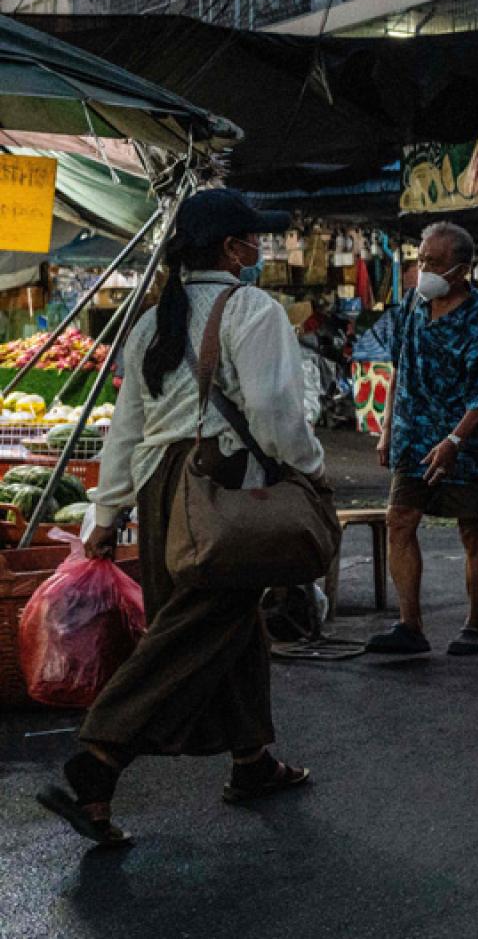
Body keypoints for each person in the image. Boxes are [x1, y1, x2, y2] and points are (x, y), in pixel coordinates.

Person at [36, 190, 327, 847]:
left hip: (161, 489)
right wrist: (309, 469)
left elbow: (128, 428)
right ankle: (97, 761)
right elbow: (275, 412)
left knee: (231, 620)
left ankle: (252, 760)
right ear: (231, 248)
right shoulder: (252, 310)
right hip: (225, 489)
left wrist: (107, 511)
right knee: (193, 628)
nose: (260, 248)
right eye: (253, 238)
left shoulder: (151, 323)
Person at [367, 223, 478, 657]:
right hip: (413, 433)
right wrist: (387, 429)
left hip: (470, 439)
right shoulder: (413, 304)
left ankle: (475, 625)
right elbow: (400, 367)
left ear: (461, 270)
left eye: (433, 262)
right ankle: (410, 624)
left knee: (472, 529)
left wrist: (454, 441)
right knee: (399, 520)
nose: (423, 268)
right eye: (421, 259)